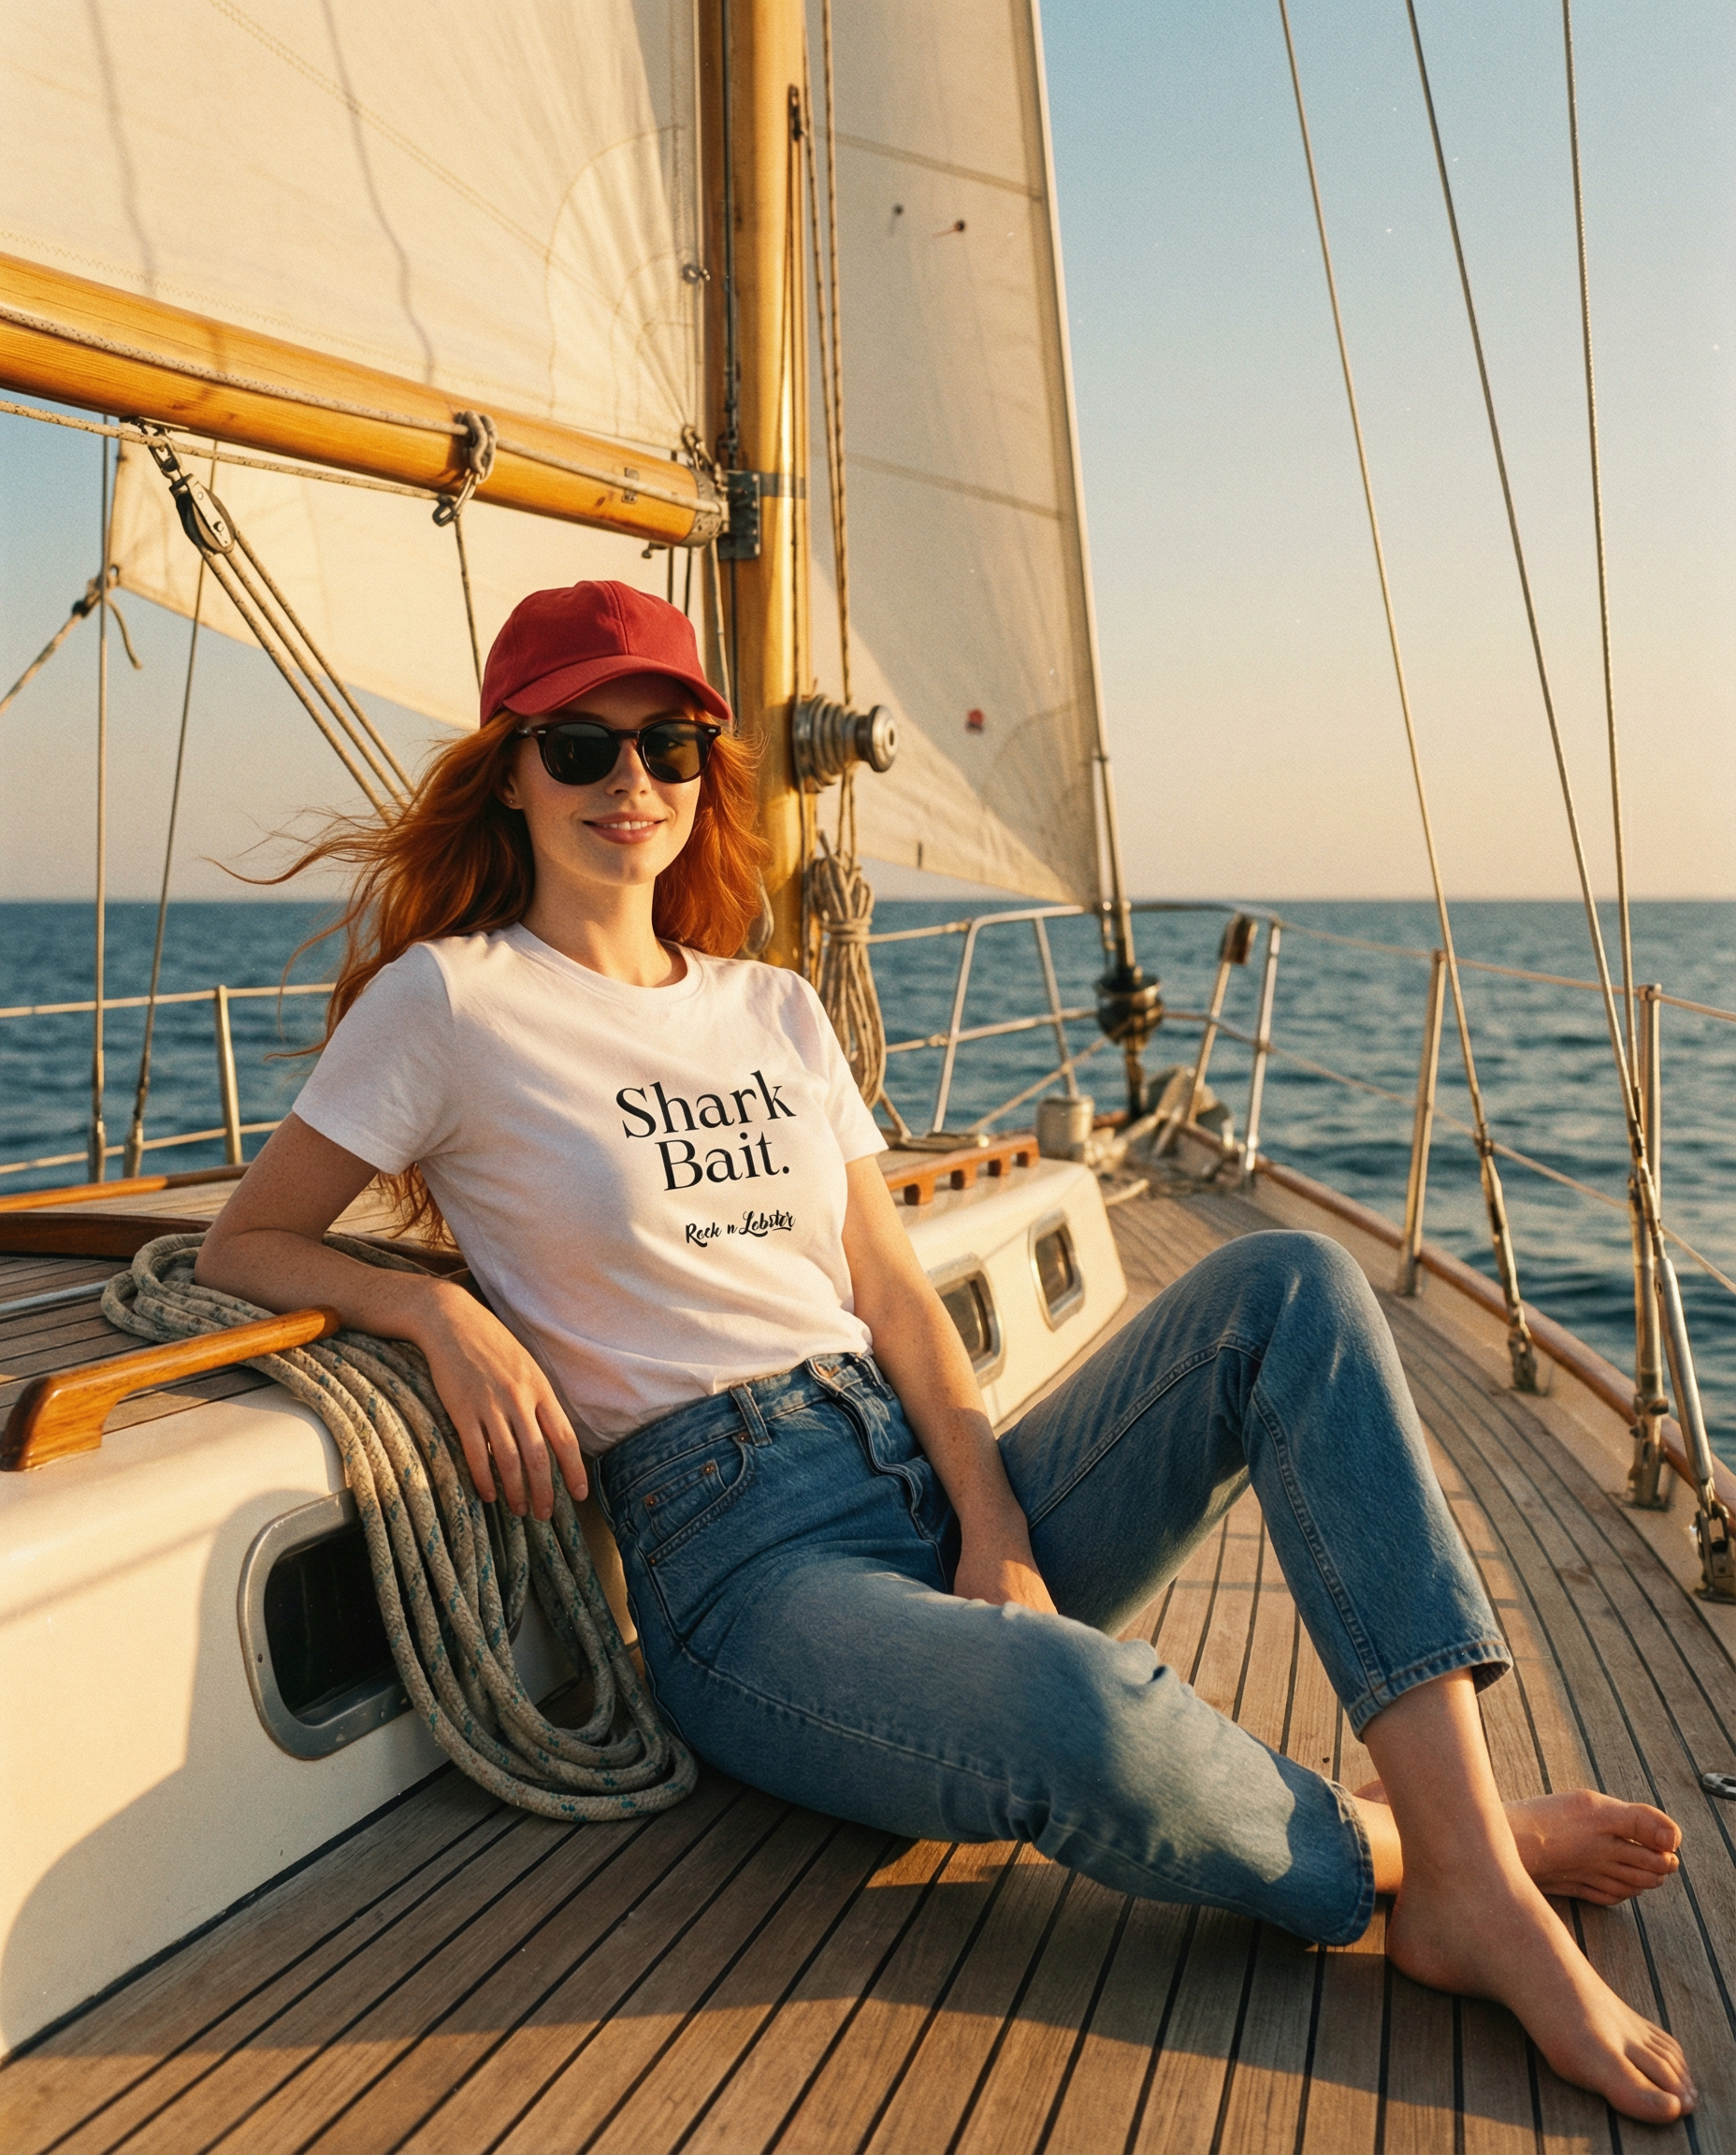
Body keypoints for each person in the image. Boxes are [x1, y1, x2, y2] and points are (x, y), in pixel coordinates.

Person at [197, 580, 1694, 2124]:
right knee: (1076, 1709)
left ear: (707, 771)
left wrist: (994, 1526)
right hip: (741, 1571)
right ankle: (1421, 1857)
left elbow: (898, 1303)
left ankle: (1466, 1866)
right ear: (509, 770)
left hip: (914, 1470)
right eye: (580, 745)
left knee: (1294, 1287)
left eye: (670, 745)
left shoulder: (775, 1007)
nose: (629, 780)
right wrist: (436, 1311)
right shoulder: (451, 1001)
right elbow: (249, 1241)